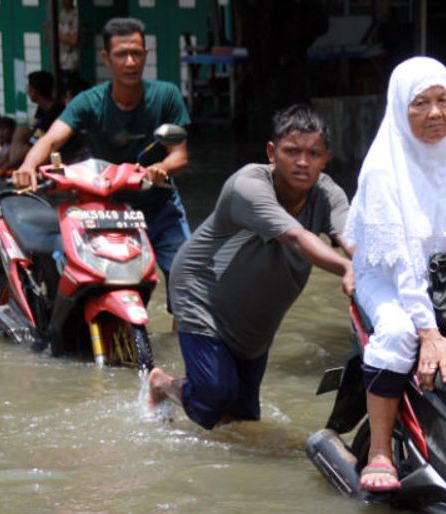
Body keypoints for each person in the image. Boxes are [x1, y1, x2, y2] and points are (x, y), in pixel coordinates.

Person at [146, 104, 354, 430]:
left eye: (314, 153)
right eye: (292, 151)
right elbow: (296, 237)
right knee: (213, 398)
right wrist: (347, 269)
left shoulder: (328, 194)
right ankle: (165, 385)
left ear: (326, 157)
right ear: (272, 152)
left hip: (255, 317)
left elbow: (352, 238)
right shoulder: (248, 186)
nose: (303, 162)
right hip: (202, 294)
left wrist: (368, 263)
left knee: (242, 420)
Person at [344, 56, 446, 492]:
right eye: (421, 103)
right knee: (397, 333)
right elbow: (404, 262)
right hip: (387, 275)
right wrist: (428, 330)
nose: (435, 113)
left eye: (444, 100)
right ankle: (379, 451)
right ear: (399, 109)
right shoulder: (383, 170)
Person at [11, 17, 192, 305]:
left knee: (188, 282)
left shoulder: (166, 95)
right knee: (65, 271)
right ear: (107, 58)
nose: (130, 62)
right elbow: (50, 140)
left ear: (146, 54)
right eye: (121, 54)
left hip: (158, 205)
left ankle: (181, 344)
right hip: (102, 210)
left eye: (136, 53)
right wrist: (27, 167)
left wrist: (160, 169)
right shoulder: (88, 101)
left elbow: (179, 155)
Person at [0, 71, 65, 178]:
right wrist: (0, 164)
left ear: (34, 91)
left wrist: (5, 168)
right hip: (41, 150)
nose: (27, 92)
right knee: (22, 131)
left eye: (28, 88)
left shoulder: (55, 112)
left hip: (58, 159)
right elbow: (32, 136)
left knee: (22, 133)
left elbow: (34, 145)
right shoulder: (42, 110)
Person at [57, 0, 81, 95]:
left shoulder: (76, 15)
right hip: (60, 60)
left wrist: (57, 35)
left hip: (72, 63)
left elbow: (73, 40)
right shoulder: (61, 14)